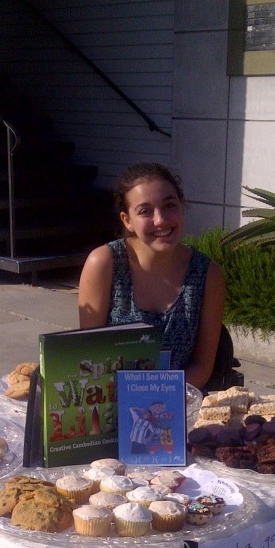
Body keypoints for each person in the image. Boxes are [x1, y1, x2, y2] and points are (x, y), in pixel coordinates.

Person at [78, 162, 226, 390]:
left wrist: (156, 395)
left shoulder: (207, 274)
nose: (160, 220)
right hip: (111, 399)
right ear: (127, 220)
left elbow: (202, 366)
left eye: (169, 205)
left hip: (180, 399)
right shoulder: (104, 263)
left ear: (182, 206)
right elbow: (88, 356)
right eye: (145, 211)